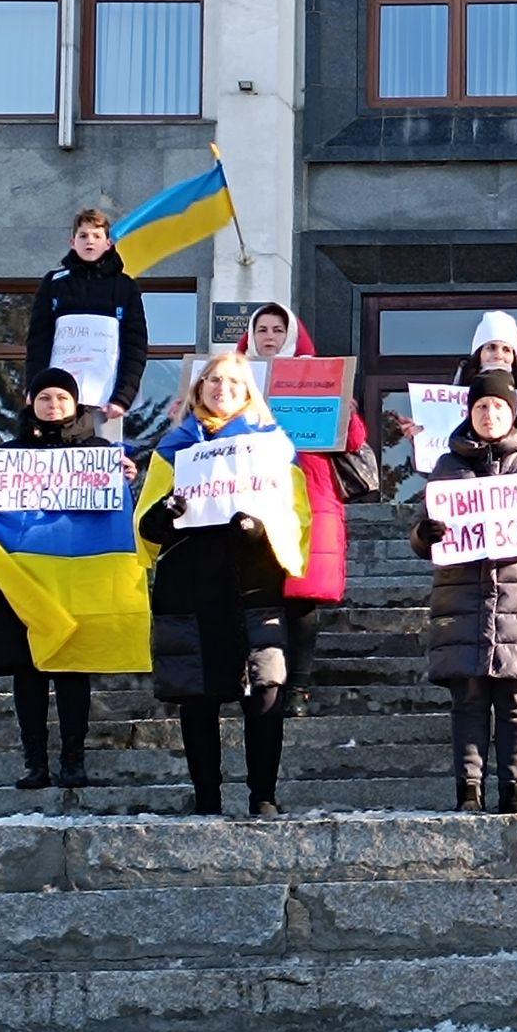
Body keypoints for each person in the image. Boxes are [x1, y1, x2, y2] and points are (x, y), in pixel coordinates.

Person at [136, 353, 308, 817]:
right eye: (212, 380)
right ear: (198, 390)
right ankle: (206, 797)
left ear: (248, 390)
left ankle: (263, 796)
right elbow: (146, 529)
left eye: (232, 381)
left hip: (253, 582)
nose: (221, 388)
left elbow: (297, 516)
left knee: (265, 689)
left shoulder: (274, 446)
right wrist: (165, 513)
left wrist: (261, 530)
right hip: (189, 585)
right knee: (197, 694)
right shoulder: (171, 449)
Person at [411, 372, 517, 814]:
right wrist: (424, 533)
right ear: (469, 413)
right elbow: (420, 530)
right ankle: (469, 792)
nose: (490, 415)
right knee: (467, 698)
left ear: (513, 412)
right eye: (481, 407)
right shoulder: (448, 466)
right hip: (462, 597)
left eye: (498, 407)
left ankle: (515, 795)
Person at [0, 367, 137, 790]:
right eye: (44, 398)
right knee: (28, 670)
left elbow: (122, 515)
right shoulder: (7, 455)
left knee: (73, 669)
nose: (53, 404)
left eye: (61, 397)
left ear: (75, 404)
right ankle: (35, 762)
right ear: (30, 402)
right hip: (22, 578)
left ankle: (73, 759)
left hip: (76, 578)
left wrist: (128, 482)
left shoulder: (101, 451)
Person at [239, 303, 374, 714]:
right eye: (261, 329)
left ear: (291, 336)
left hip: (310, 497)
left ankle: (297, 687)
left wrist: (345, 408)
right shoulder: (232, 380)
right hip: (250, 495)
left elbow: (351, 442)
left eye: (278, 329)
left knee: (301, 599)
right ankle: (260, 682)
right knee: (255, 596)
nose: (269, 336)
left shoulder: (321, 379)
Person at [25, 208, 149, 426]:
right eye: (83, 236)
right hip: (58, 400)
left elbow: (135, 346)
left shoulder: (125, 287)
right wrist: (35, 388)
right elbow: (38, 342)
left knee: (101, 455)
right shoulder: (54, 283)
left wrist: (122, 398)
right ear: (72, 241)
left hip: (105, 402)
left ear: (108, 243)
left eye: (96, 236)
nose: (89, 241)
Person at [454, 311, 517, 389]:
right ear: (479, 353)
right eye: (491, 348)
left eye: (506, 350)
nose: (498, 356)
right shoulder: (453, 397)